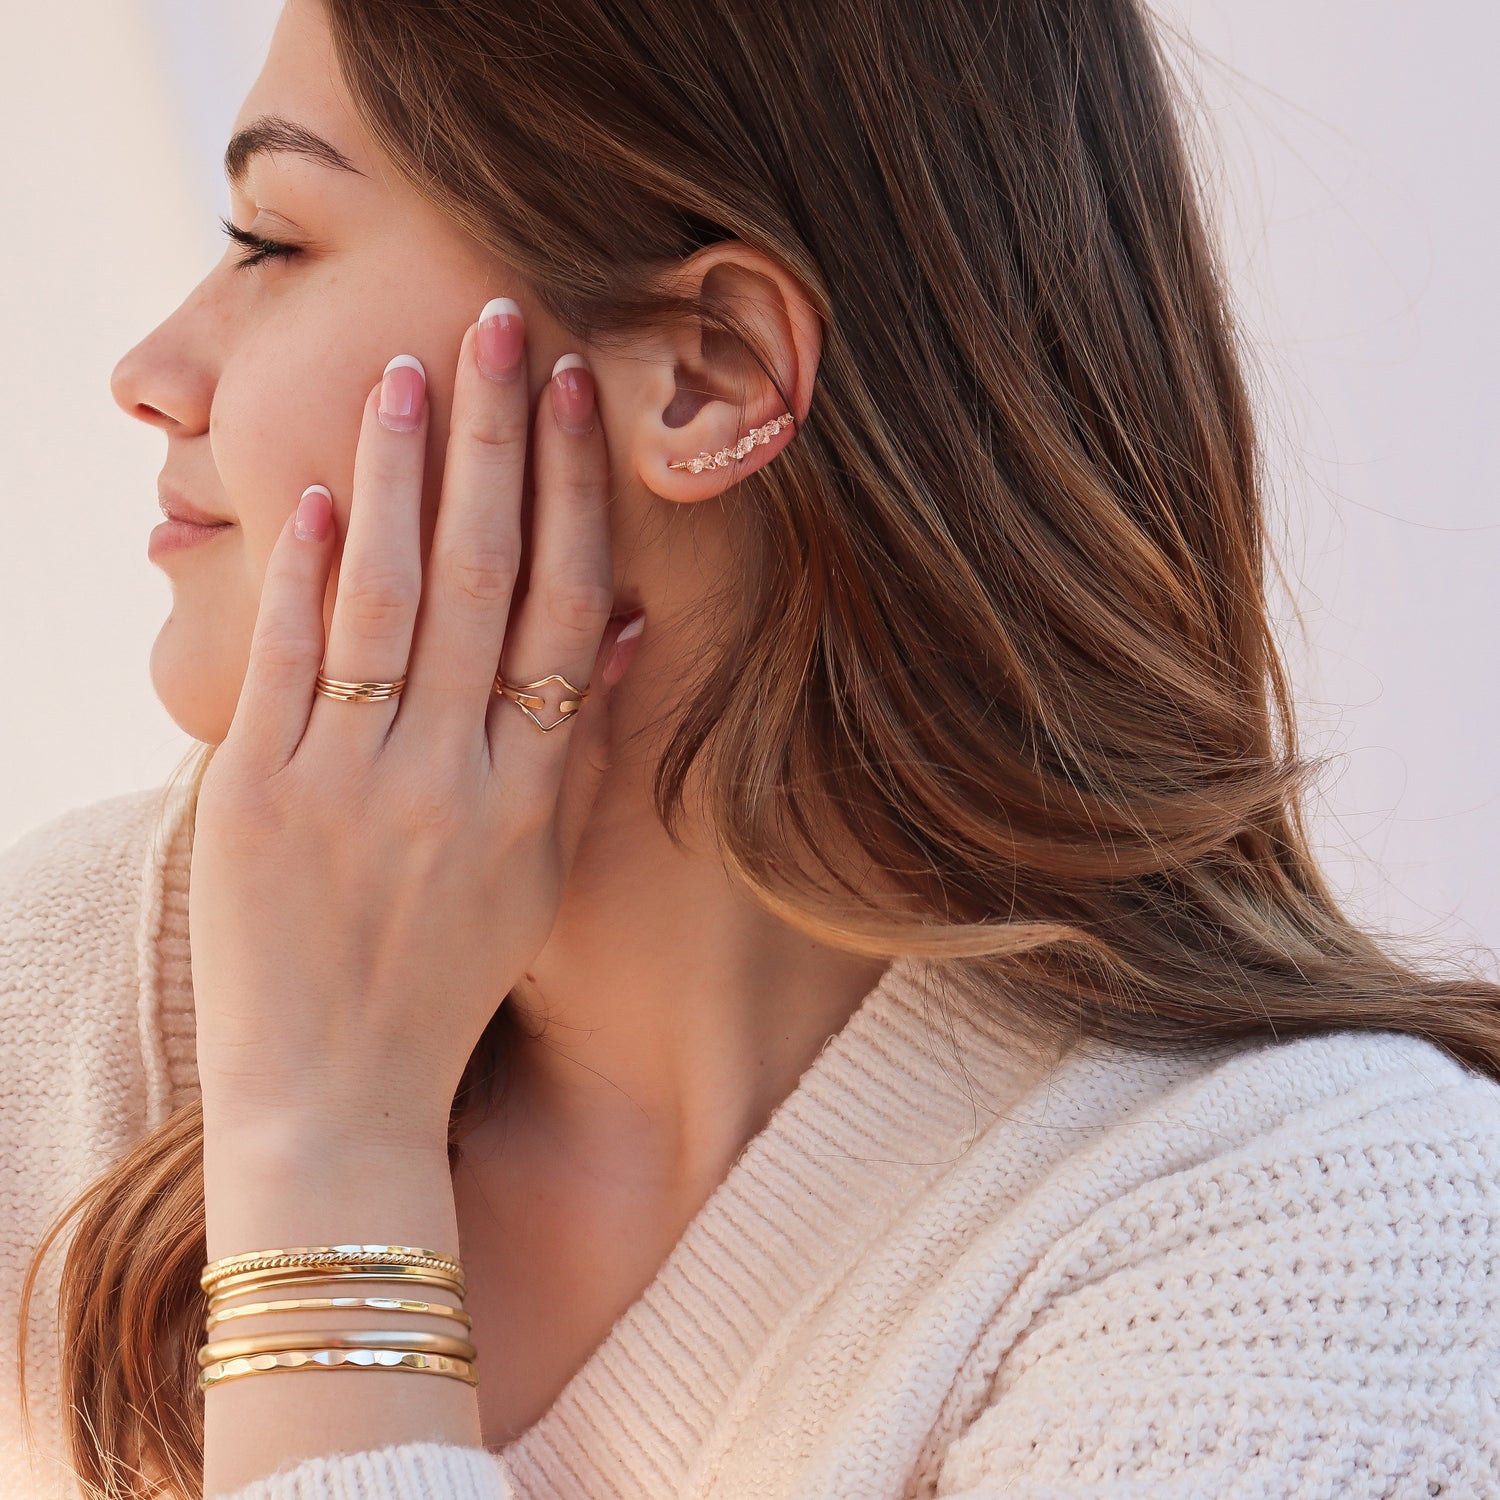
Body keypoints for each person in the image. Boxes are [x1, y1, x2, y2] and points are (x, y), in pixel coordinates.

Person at [4, 0, 1498, 1495]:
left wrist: (328, 1160)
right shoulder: (75, 1002)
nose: (151, 365)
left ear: (708, 374)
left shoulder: (1321, 1249)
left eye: (273, 241)